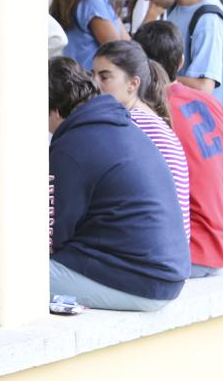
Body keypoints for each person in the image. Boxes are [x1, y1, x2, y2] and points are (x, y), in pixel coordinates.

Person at [48, 57, 189, 311]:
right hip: (165, 277)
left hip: (142, 281)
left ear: (56, 110)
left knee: (15, 279)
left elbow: (55, 235)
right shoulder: (122, 126)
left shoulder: (71, 146)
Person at [134, 21, 223, 277]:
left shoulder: (152, 113)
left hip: (186, 255)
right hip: (219, 248)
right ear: (180, 62)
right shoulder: (210, 104)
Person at [92, 41, 191, 241]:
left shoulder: (129, 124)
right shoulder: (148, 118)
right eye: (92, 75)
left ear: (133, 84)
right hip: (169, 249)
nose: (95, 84)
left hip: (152, 250)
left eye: (104, 77)